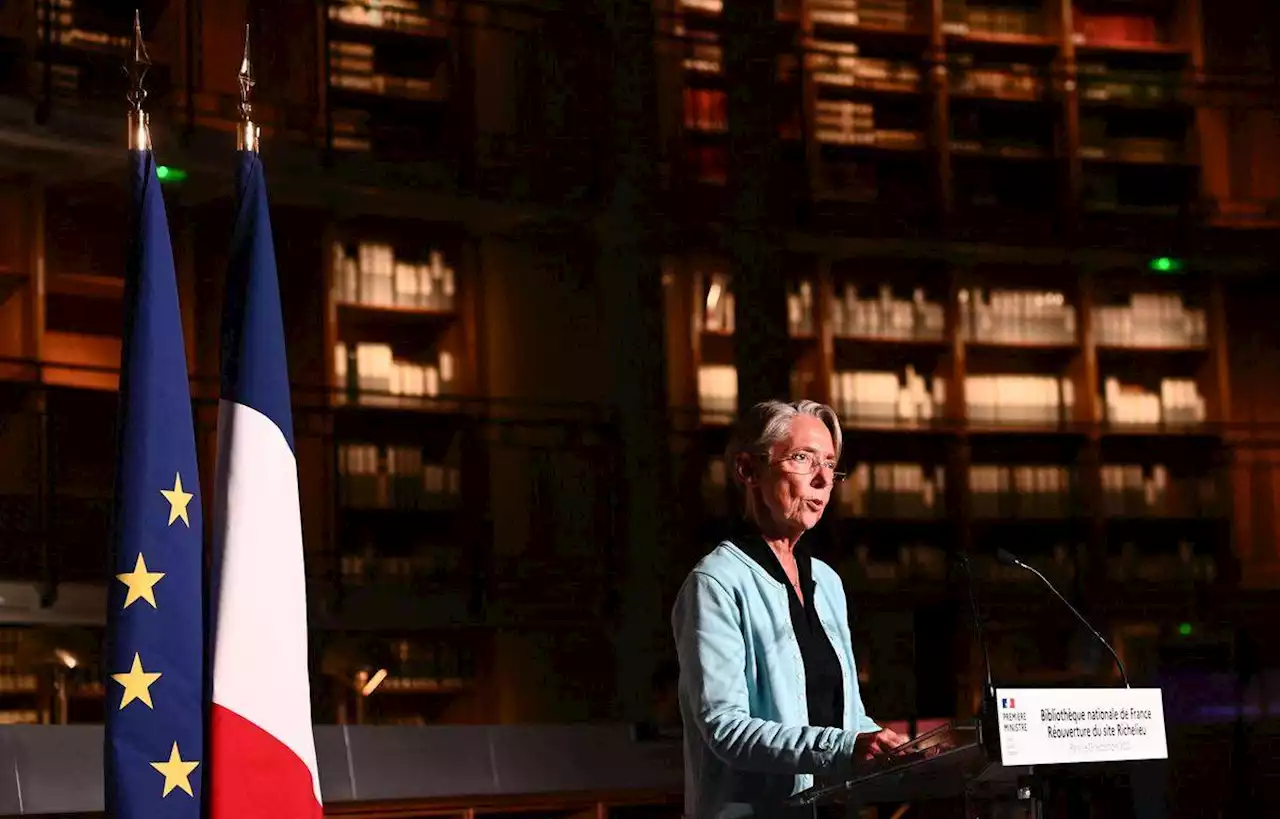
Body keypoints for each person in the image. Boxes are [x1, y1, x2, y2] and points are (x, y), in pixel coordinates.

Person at [672, 399, 906, 819]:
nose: (822, 480)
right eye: (803, 459)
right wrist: (843, 747)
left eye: (830, 465)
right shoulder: (716, 582)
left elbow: (840, 715)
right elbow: (724, 728)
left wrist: (890, 745)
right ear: (747, 470)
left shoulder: (828, 582)